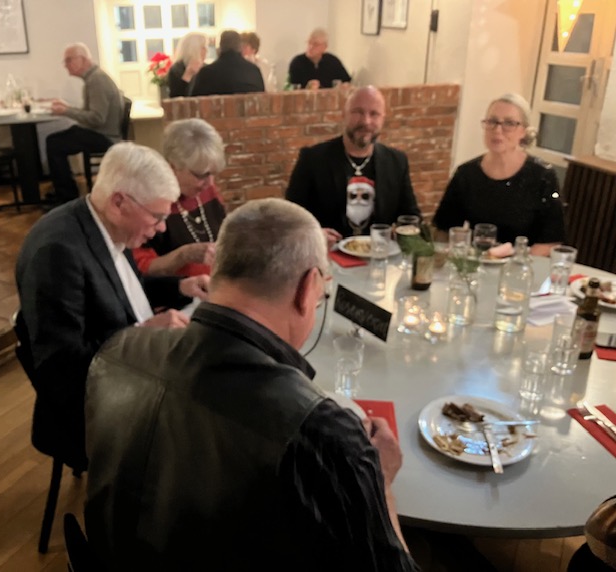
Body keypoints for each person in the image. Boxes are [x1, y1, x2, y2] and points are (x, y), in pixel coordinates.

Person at [84, 197, 419, 571]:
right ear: (308, 287)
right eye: (322, 294)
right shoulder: (321, 432)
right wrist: (380, 484)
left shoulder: (116, 351)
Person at [16, 142, 210, 471]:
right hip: (92, 405)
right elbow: (61, 366)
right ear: (119, 202)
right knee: (204, 419)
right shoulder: (57, 253)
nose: (162, 227)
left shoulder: (104, 224)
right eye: (157, 216)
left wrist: (180, 286)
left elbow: (121, 289)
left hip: (129, 369)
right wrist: (141, 335)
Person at [285, 85, 421, 247]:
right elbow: (289, 217)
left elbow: (411, 217)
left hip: (379, 256)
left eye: (374, 114)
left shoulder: (396, 161)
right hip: (326, 256)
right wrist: (315, 235)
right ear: (344, 115)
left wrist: (402, 233)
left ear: (383, 118)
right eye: (358, 112)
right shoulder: (313, 159)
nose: (366, 121)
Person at [433, 93, 565, 256]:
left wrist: (516, 262)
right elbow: (445, 229)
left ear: (523, 131)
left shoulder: (542, 176)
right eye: (492, 121)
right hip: (476, 262)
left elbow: (551, 241)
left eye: (509, 123)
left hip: (522, 264)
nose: (497, 130)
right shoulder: (466, 173)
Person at [133, 118, 226, 277]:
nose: (210, 182)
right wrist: (184, 255)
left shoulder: (206, 191)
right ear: (172, 167)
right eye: (201, 175)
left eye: (212, 174)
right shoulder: (151, 202)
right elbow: (141, 268)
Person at [47, 42, 124, 204]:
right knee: (57, 140)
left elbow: (97, 119)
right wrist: (68, 108)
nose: (65, 65)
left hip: (104, 137)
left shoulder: (97, 81)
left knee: (54, 143)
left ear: (82, 59)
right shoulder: (93, 78)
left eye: (68, 60)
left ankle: (66, 196)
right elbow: (91, 114)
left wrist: (66, 111)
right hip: (100, 132)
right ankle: (64, 192)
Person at [191, 30, 264, 96]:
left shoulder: (206, 73)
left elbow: (194, 102)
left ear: (220, 47)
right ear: (240, 47)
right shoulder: (254, 71)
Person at [167, 32, 207, 98]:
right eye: (203, 47)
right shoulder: (176, 69)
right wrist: (188, 75)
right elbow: (175, 97)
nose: (206, 50)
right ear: (193, 49)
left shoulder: (207, 68)